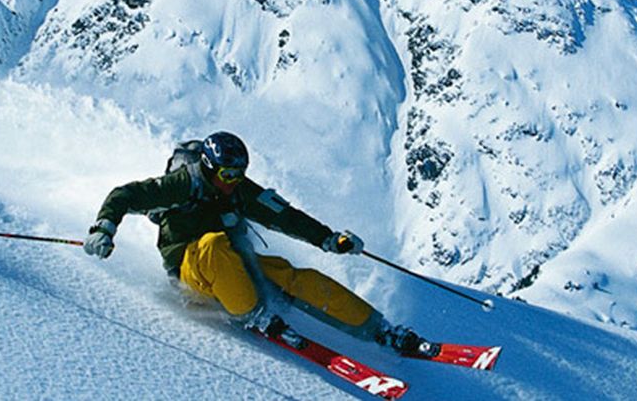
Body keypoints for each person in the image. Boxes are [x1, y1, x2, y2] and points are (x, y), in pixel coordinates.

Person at [83, 131, 434, 357]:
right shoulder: (182, 184)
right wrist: (104, 228)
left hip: (234, 265)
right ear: (209, 168)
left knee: (291, 275)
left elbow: (286, 217)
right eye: (227, 174)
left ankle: (381, 331)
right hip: (193, 270)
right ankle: (255, 316)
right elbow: (125, 194)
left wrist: (329, 239)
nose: (234, 181)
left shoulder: (240, 190)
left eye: (240, 174)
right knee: (214, 244)